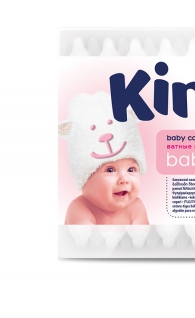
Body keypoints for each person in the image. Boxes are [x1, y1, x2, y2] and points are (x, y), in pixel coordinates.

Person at [59, 91, 149, 225]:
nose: (124, 180)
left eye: (131, 169)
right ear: (85, 178)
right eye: (110, 170)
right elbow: (86, 238)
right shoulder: (80, 208)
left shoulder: (136, 207)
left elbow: (144, 237)